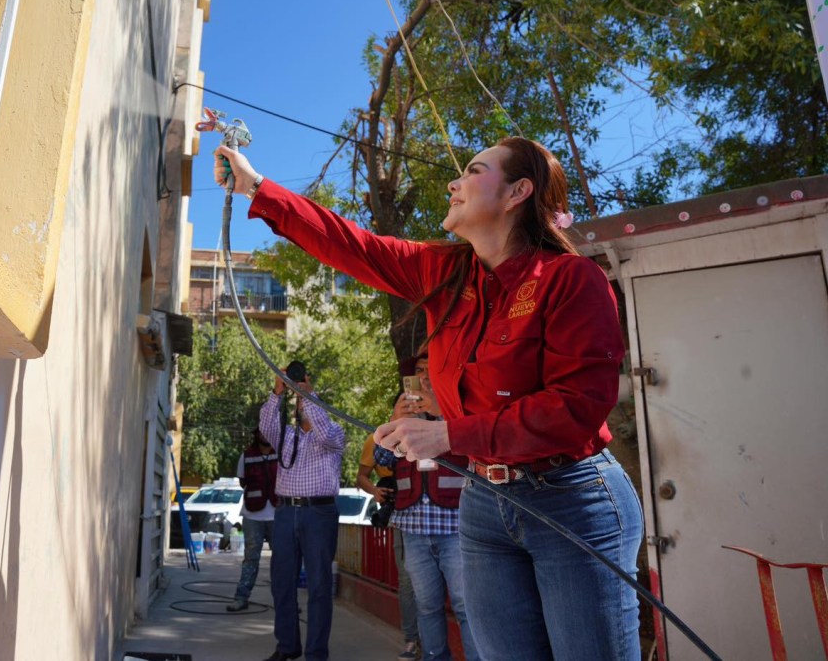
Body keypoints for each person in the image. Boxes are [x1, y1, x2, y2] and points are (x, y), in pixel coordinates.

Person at [215, 138, 644, 660]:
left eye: (473, 171)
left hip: (572, 498)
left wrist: (447, 435)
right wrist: (257, 187)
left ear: (518, 192)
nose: (453, 182)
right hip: (486, 500)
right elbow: (353, 244)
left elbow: (576, 409)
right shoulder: (445, 270)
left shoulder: (572, 279)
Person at [373, 358, 480, 661]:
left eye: (428, 369)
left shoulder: (458, 404)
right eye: (418, 371)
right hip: (414, 526)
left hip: (456, 524)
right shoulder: (403, 410)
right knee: (427, 605)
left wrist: (440, 411)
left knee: (465, 606)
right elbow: (383, 457)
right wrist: (395, 417)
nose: (423, 376)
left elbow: (478, 442)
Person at [258, 361, 345, 661]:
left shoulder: (333, 433)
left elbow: (322, 430)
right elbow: (266, 426)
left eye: (303, 398)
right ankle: (287, 646)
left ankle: (316, 653)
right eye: (298, 400)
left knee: (320, 586)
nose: (300, 403)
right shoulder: (286, 436)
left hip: (318, 514)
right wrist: (278, 391)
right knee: (282, 583)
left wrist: (309, 394)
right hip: (285, 513)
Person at [357, 424, 419, 660]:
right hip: (400, 511)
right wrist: (376, 491)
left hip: (437, 512)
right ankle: (411, 640)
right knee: (406, 581)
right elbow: (361, 476)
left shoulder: (437, 426)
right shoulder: (378, 439)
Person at [227, 429, 279, 612]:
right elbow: (243, 482)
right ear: (256, 434)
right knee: (250, 558)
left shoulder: (281, 453)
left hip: (278, 514)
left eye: (268, 431)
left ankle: (286, 602)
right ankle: (241, 598)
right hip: (252, 515)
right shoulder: (246, 456)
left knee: (282, 560)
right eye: (262, 431)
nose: (265, 434)